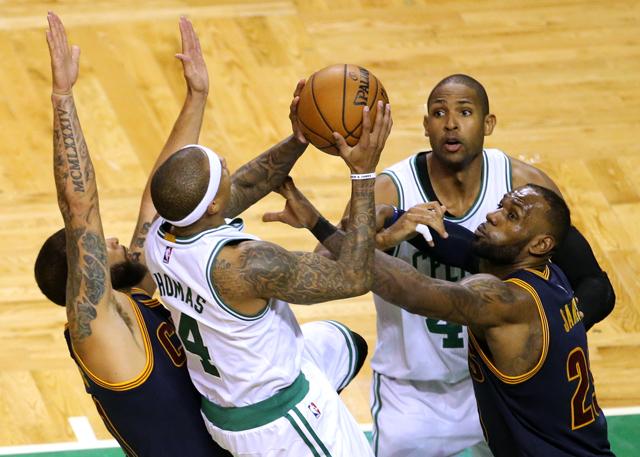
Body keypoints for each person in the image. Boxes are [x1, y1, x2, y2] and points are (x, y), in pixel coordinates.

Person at [317, 73, 615, 456]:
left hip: (500, 384)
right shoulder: (392, 190)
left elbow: (596, 286)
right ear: (425, 125)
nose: (451, 124)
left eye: (465, 112)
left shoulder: (524, 188)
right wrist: (386, 232)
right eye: (439, 113)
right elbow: (326, 273)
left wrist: (547, 338)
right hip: (414, 393)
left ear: (488, 123)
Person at [265, 179, 615, 457]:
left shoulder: (508, 301)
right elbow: (463, 248)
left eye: (512, 216)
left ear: (539, 245)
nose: (493, 216)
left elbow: (414, 291)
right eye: (500, 206)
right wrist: (397, 220)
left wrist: (318, 224)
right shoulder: (552, 278)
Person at [144, 100, 392, 456]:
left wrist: (300, 138)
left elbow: (250, 181)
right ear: (212, 205)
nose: (227, 164)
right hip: (280, 423)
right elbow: (354, 277)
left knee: (343, 342)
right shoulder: (247, 265)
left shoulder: (160, 235)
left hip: (226, 404)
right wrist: (364, 174)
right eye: (219, 168)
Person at [35, 13, 233, 456]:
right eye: (96, 246)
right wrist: (63, 96)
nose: (109, 240)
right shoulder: (97, 328)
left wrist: (196, 97)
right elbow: (80, 209)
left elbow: (157, 201)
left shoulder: (135, 290)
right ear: (82, 272)